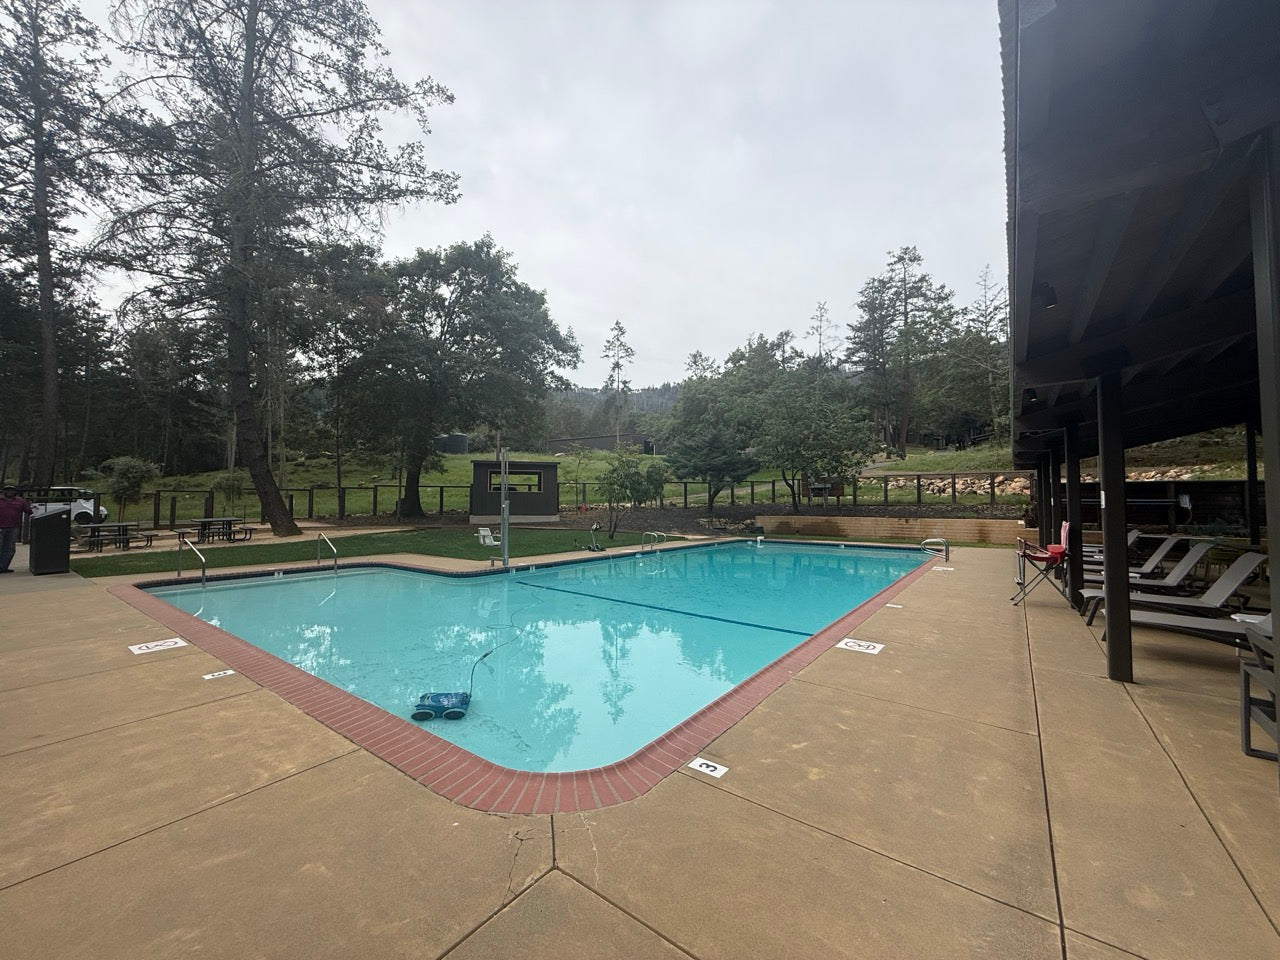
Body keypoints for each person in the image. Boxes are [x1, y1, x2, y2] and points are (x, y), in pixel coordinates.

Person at [0, 483, 33, 573]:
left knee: (9, 548)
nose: (9, 492)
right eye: (7, 490)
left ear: (15, 492)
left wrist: (31, 508)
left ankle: (3, 567)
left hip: (13, 527)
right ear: (4, 492)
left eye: (11, 490)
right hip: (0, 527)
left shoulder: (20, 501)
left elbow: (28, 511)